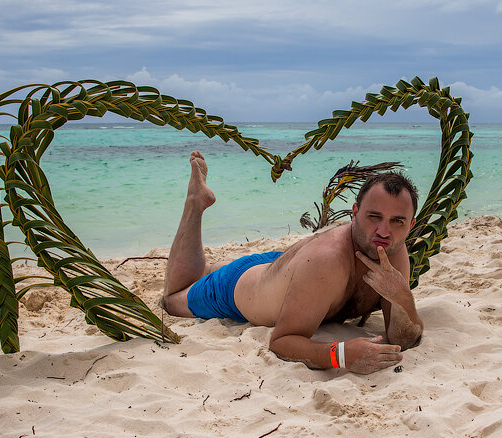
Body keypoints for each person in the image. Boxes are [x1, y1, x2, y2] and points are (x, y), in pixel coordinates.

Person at [163, 151, 423, 374]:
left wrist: (402, 297)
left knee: (206, 271)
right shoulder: (328, 262)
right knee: (173, 297)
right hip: (239, 289)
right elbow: (282, 342)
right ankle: (195, 203)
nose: (384, 231)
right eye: (374, 216)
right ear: (354, 213)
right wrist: (340, 355)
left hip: (287, 268)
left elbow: (403, 337)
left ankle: (210, 264)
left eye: (397, 221)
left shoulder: (393, 252)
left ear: (410, 225)